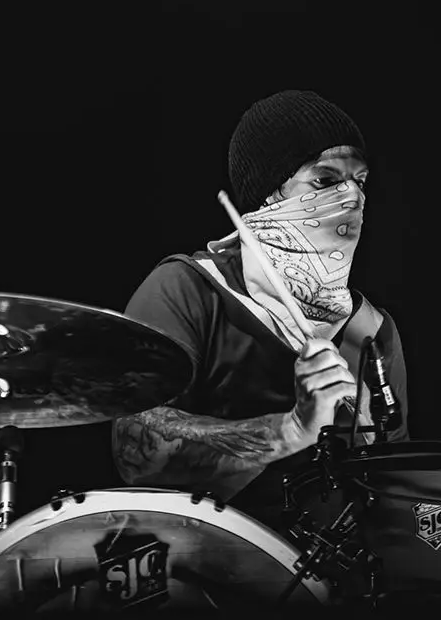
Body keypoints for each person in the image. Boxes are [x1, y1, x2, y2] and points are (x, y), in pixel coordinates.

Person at [111, 89, 410, 529]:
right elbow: (134, 451)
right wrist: (293, 428)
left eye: (360, 182)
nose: (351, 198)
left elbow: (395, 483)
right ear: (270, 194)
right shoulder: (187, 288)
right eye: (325, 181)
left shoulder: (371, 330)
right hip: (214, 554)